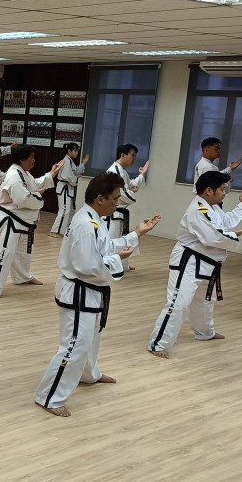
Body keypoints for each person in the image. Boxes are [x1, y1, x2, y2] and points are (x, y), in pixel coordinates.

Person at [35, 173, 161, 417]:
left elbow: (106, 247)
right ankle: (49, 396)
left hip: (91, 291)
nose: (117, 203)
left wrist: (137, 234)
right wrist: (118, 259)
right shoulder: (85, 224)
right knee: (75, 346)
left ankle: (88, 374)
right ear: (100, 198)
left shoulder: (94, 219)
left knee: (91, 340)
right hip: (79, 291)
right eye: (115, 199)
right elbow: (87, 265)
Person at [147, 171, 242, 358]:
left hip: (208, 262)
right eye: (222, 189)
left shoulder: (212, 207)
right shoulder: (198, 210)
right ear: (209, 191)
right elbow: (213, 236)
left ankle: (205, 332)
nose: (225, 192)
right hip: (188, 262)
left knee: (205, 301)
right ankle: (157, 344)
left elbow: (224, 222)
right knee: (178, 303)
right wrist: (232, 236)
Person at [0, 145, 63, 300]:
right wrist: (39, 195)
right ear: (22, 159)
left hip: (23, 221)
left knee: (23, 253)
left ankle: (22, 277)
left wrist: (52, 173)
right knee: (3, 254)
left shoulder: (23, 172)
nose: (34, 160)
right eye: (31, 157)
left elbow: (35, 184)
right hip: (10, 221)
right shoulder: (14, 175)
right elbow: (22, 199)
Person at [106, 144, 149, 271]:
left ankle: (122, 264)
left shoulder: (122, 171)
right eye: (132, 155)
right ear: (123, 155)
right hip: (113, 212)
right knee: (113, 240)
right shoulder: (114, 171)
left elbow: (131, 185)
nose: (134, 158)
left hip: (120, 212)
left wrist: (142, 175)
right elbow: (121, 193)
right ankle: (109, 266)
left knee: (122, 238)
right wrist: (130, 192)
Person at [49, 143, 90, 239]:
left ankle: (64, 231)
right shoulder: (66, 161)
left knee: (70, 211)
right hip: (64, 188)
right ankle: (55, 231)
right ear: (69, 151)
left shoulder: (70, 161)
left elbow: (75, 172)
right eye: (75, 150)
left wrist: (83, 163)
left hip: (68, 188)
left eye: (77, 151)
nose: (77, 153)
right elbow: (68, 176)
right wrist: (75, 178)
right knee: (64, 210)